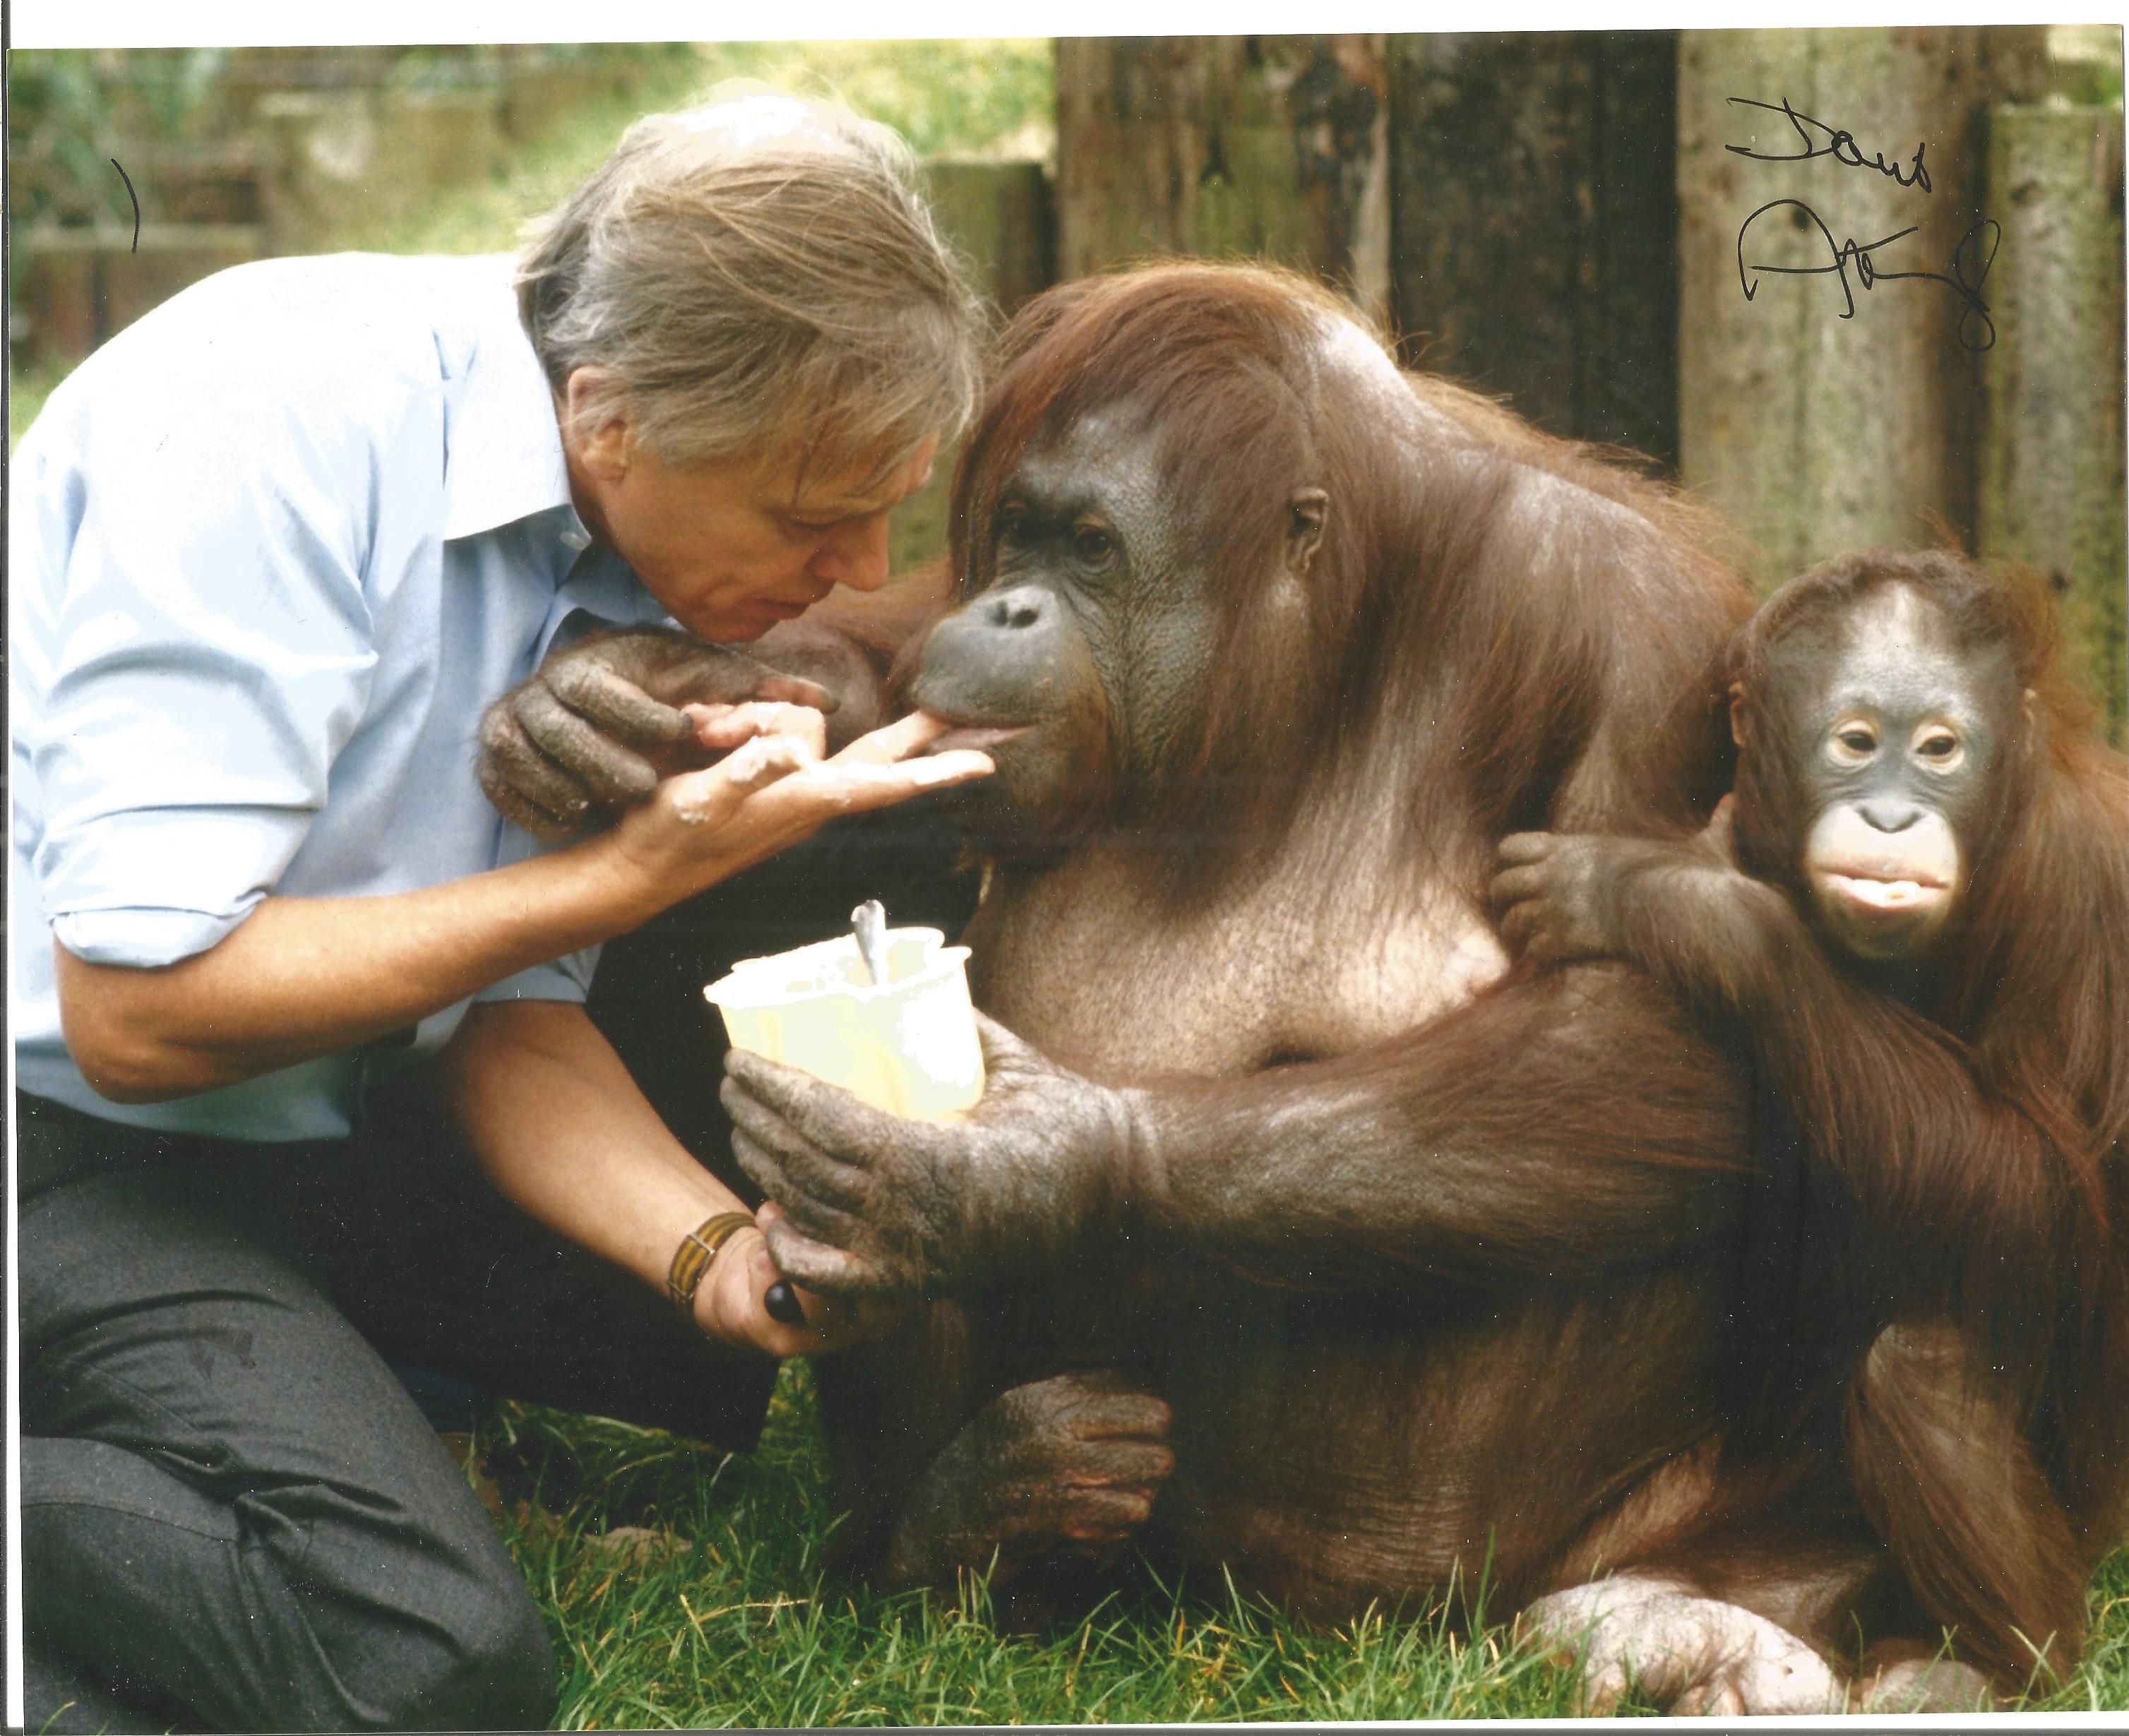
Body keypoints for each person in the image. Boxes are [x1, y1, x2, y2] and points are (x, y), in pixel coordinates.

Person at [11, 91, 992, 1734]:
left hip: (290, 1136)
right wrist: (618, 875)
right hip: (66, 1138)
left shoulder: (602, 533)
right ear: (610, 415)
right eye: (810, 513)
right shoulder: (277, 421)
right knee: (431, 1661)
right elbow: (137, 1008)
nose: (859, 560)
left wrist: (720, 1266)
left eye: (889, 506)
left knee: (825, 852)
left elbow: (504, 1022)